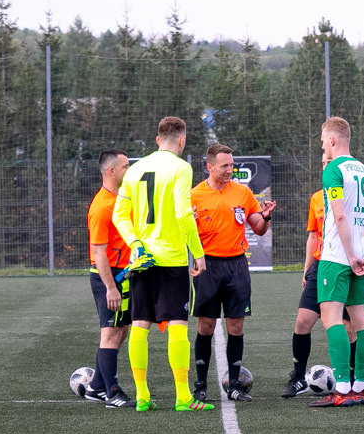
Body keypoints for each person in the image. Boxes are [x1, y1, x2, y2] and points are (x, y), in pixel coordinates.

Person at [112, 116, 213, 412]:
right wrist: (198, 251)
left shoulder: (136, 168)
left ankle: (142, 397)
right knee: (178, 326)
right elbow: (183, 215)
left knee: (140, 325)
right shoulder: (181, 168)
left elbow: (119, 214)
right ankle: (183, 397)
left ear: (157, 139)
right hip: (170, 261)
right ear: (181, 140)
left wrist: (136, 245)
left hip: (142, 261)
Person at [280, 153, 364, 398]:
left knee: (341, 323)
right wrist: (307, 268)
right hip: (327, 263)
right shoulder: (322, 195)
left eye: (328, 158)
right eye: (323, 161)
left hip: (341, 260)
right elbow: (314, 235)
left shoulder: (345, 182)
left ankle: (344, 385)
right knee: (305, 321)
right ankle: (309, 379)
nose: (326, 165)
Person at [190, 144, 276, 403]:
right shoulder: (194, 195)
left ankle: (235, 385)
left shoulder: (242, 192)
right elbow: (184, 235)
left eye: (232, 164)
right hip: (208, 267)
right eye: (225, 165)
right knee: (206, 326)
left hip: (237, 266)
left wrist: (266, 217)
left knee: (235, 326)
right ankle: (201, 385)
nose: (230, 169)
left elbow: (258, 228)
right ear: (210, 166)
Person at [310, 116, 364, 408]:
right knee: (362, 321)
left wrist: (351, 254)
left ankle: (341, 389)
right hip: (360, 257)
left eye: (322, 141)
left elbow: (339, 216)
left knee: (331, 320)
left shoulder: (333, 171)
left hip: (336, 257)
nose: (322, 147)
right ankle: (360, 388)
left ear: (331, 140)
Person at [83, 149, 136, 409]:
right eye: (126, 166)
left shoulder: (122, 199)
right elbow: (98, 252)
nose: (130, 170)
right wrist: (110, 288)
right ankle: (112, 393)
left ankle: (96, 387)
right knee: (110, 334)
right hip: (109, 276)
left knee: (120, 330)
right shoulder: (102, 207)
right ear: (112, 171)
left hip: (123, 274)